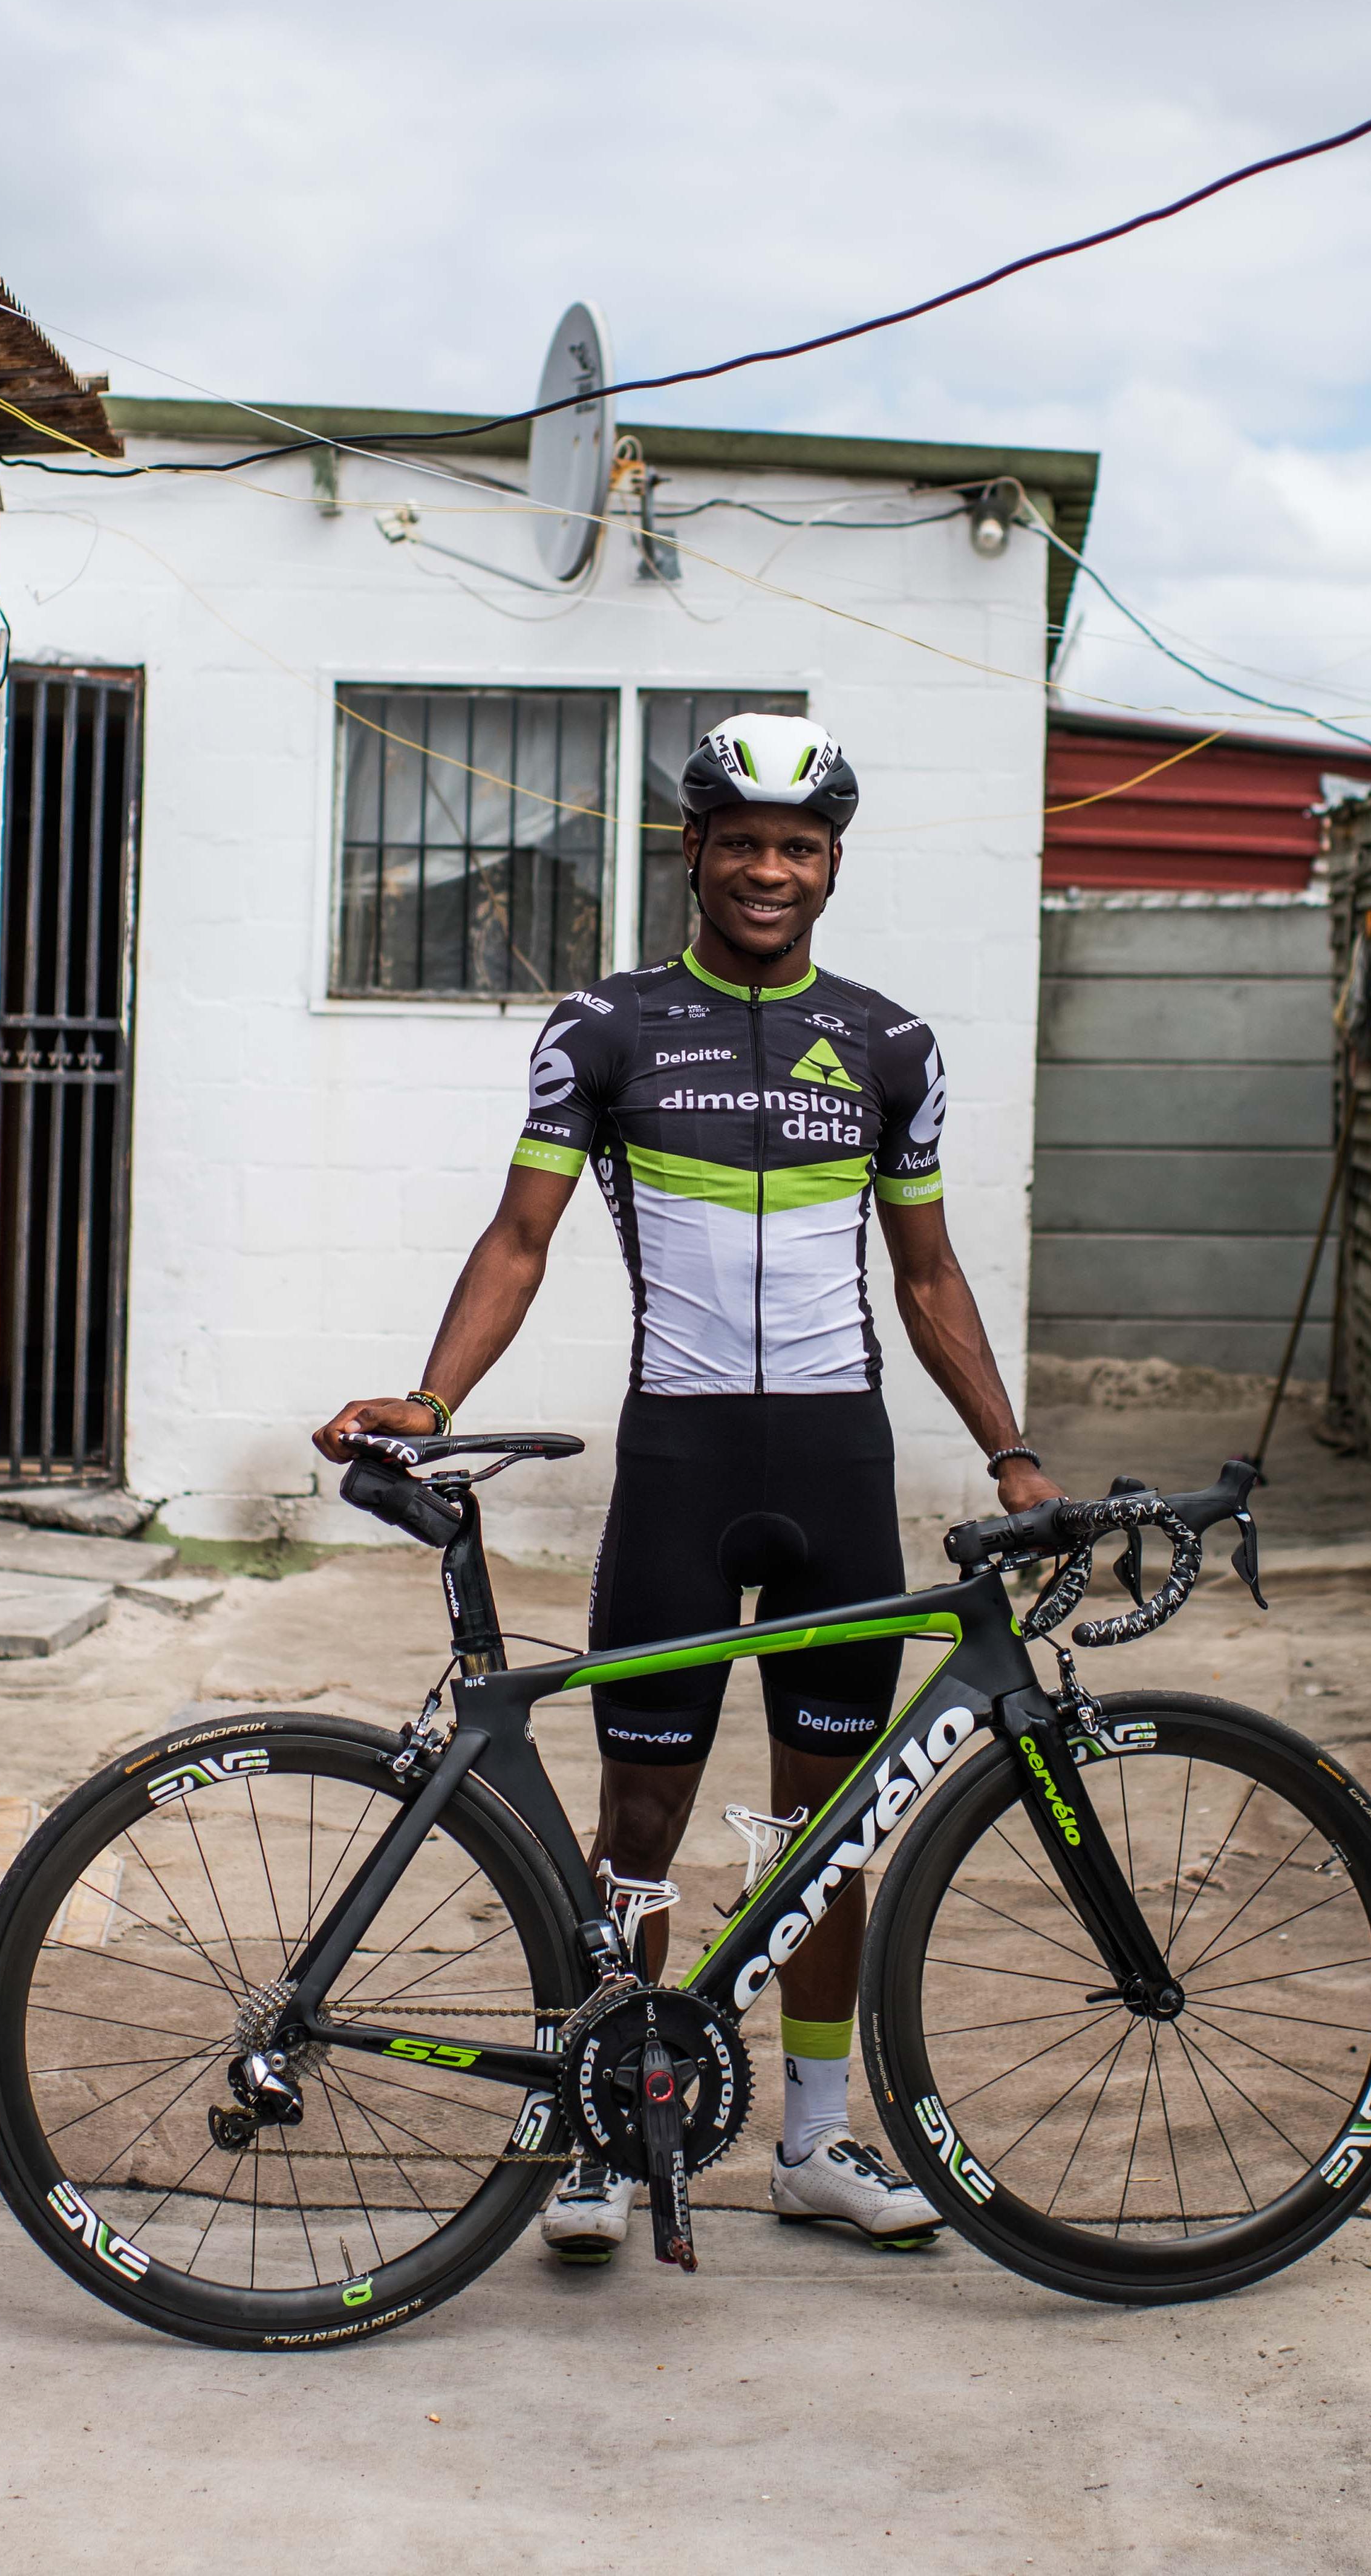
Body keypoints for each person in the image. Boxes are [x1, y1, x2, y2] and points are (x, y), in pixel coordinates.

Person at [313, 712, 1063, 2263]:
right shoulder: (603, 1027)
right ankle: (610, 2130)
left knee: (823, 1822)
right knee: (639, 1812)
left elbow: (924, 1276)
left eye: (799, 847)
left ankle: (809, 2137)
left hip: (836, 1467)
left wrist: (1007, 1448)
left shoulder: (888, 1043)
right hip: (679, 1456)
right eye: (743, 843)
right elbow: (519, 1236)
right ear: (695, 853)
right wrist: (431, 1394)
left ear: (831, 865)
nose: (769, 869)